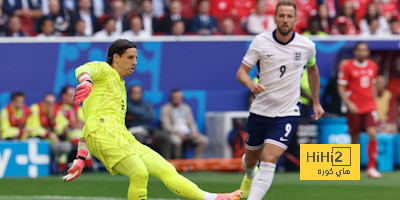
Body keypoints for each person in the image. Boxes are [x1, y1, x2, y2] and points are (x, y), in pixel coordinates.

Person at [62, 39, 241, 200]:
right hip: (103, 135)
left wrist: (80, 157)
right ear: (116, 57)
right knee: (139, 173)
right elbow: (83, 69)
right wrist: (86, 81)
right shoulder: (105, 70)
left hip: (121, 136)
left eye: (136, 58)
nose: (135, 62)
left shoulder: (121, 86)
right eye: (130, 57)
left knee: (166, 169)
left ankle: (213, 198)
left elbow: (90, 122)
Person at [235, 1, 324, 199]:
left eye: (289, 16)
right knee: (250, 161)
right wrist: (251, 85)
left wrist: (316, 102)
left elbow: (313, 70)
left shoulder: (307, 46)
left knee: (269, 158)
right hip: (260, 111)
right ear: (274, 18)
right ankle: (249, 175)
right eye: (281, 16)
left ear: (296, 19)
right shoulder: (260, 41)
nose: (285, 20)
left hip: (287, 113)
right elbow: (241, 72)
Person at [337, 42, 381, 178]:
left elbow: (373, 86)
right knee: (354, 136)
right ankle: (351, 167)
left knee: (372, 133)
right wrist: (348, 103)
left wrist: (375, 104)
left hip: (369, 106)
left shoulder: (373, 66)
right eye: (360, 50)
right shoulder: (347, 66)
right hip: (355, 107)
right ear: (355, 52)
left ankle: (371, 167)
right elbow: (340, 87)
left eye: (365, 50)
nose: (362, 52)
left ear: (368, 52)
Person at [27, 93, 72, 173]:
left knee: (66, 146)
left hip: (53, 143)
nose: (50, 106)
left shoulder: (57, 111)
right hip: (39, 141)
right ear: (43, 102)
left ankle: (61, 170)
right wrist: (49, 134)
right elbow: (33, 128)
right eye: (48, 103)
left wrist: (52, 120)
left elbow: (60, 130)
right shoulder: (35, 108)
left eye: (52, 103)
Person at [126, 85, 172, 159]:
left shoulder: (146, 104)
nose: (136, 95)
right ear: (130, 94)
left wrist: (135, 116)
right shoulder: (126, 104)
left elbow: (151, 116)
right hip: (133, 130)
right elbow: (131, 110)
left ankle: (166, 163)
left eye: (138, 93)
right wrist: (143, 114)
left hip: (148, 129)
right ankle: (140, 163)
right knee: (138, 138)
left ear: (141, 94)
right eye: (134, 93)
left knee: (166, 138)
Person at [160, 89, 209, 159]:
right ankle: (179, 163)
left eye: (179, 97)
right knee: (176, 141)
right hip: (174, 133)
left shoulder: (186, 108)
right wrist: (177, 132)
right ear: (171, 98)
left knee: (204, 140)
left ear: (182, 98)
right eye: (175, 97)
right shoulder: (165, 108)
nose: (177, 99)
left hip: (188, 133)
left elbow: (191, 123)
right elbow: (166, 126)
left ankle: (194, 162)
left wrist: (194, 131)